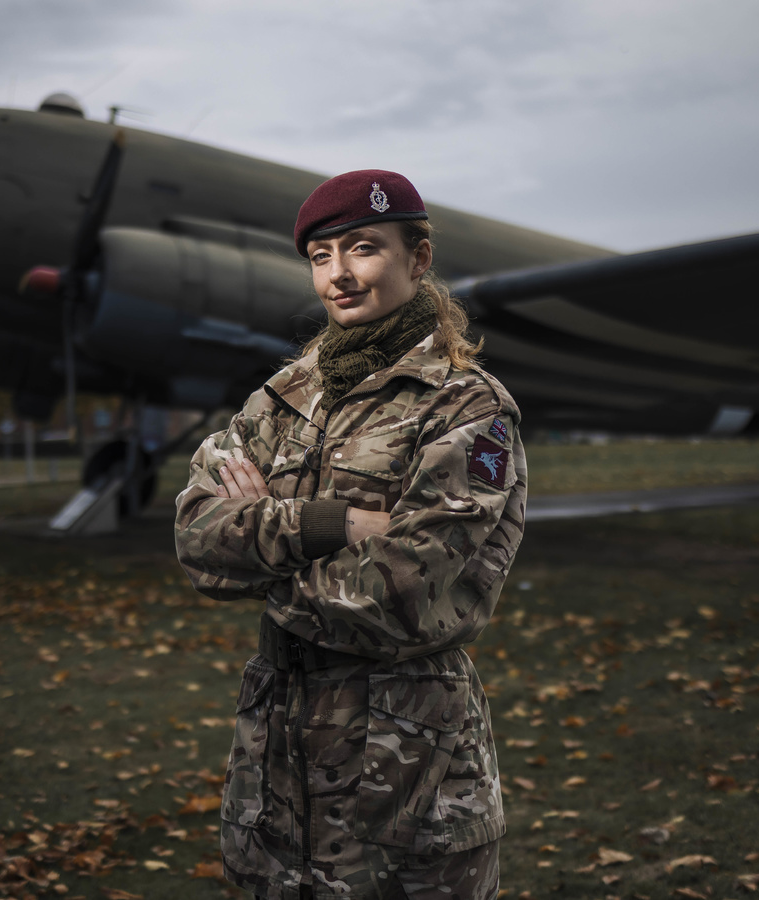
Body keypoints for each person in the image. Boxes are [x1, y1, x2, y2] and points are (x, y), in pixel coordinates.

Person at [173, 170, 528, 900]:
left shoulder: (467, 407)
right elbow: (195, 541)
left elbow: (400, 593)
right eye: (320, 256)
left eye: (362, 249)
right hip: (275, 762)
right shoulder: (283, 396)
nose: (339, 275)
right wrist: (326, 524)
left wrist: (259, 546)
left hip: (404, 768)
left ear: (418, 258)